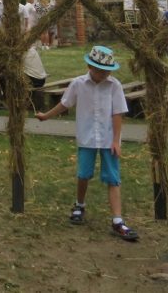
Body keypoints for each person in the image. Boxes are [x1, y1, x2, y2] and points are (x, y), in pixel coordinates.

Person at [35, 45, 138, 242]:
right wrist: (46, 116)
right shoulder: (78, 84)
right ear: (90, 67)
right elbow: (65, 103)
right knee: (83, 174)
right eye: (100, 70)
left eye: (107, 71)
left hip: (108, 139)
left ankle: (117, 220)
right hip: (87, 137)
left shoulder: (114, 86)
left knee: (113, 178)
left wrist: (116, 140)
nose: (104, 74)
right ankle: (79, 205)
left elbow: (118, 113)